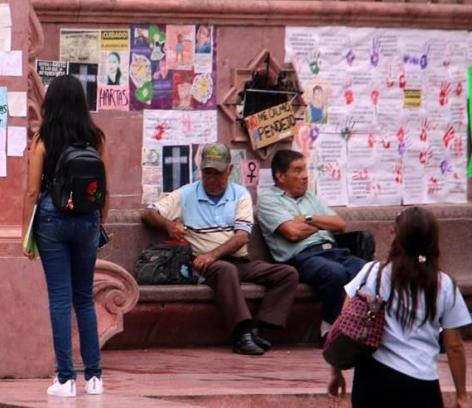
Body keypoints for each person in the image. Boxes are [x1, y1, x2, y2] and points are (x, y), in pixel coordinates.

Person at [142, 143, 299, 355]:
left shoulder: (240, 194)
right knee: (226, 270)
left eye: (219, 173)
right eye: (208, 173)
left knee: (286, 274)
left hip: (234, 260)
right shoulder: (186, 193)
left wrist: (213, 255)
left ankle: (257, 329)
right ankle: (240, 333)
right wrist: (169, 225)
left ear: (230, 170)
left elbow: (242, 237)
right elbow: (149, 213)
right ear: (201, 170)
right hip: (201, 264)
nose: (213, 179)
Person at [328, 207, 470, 408]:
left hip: (372, 380)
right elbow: (454, 346)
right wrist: (461, 395)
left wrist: (336, 371)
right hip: (421, 384)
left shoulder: (372, 273)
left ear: (394, 233)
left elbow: (343, 325)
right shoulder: (444, 284)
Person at [22, 75, 109, 397]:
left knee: (60, 300)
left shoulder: (43, 139)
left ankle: (65, 379)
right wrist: (99, 222)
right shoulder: (96, 138)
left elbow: (32, 191)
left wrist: (24, 235)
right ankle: (96, 377)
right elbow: (105, 188)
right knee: (84, 298)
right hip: (87, 221)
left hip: (52, 220)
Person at [257, 149, 365, 342]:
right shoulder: (269, 199)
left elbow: (340, 224)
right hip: (301, 257)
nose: (305, 176)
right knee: (335, 274)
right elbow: (292, 233)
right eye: (297, 171)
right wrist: (322, 224)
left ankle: (360, 327)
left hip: (331, 251)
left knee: (365, 270)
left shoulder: (311, 198)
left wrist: (309, 219)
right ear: (280, 176)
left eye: (305, 169)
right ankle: (329, 328)